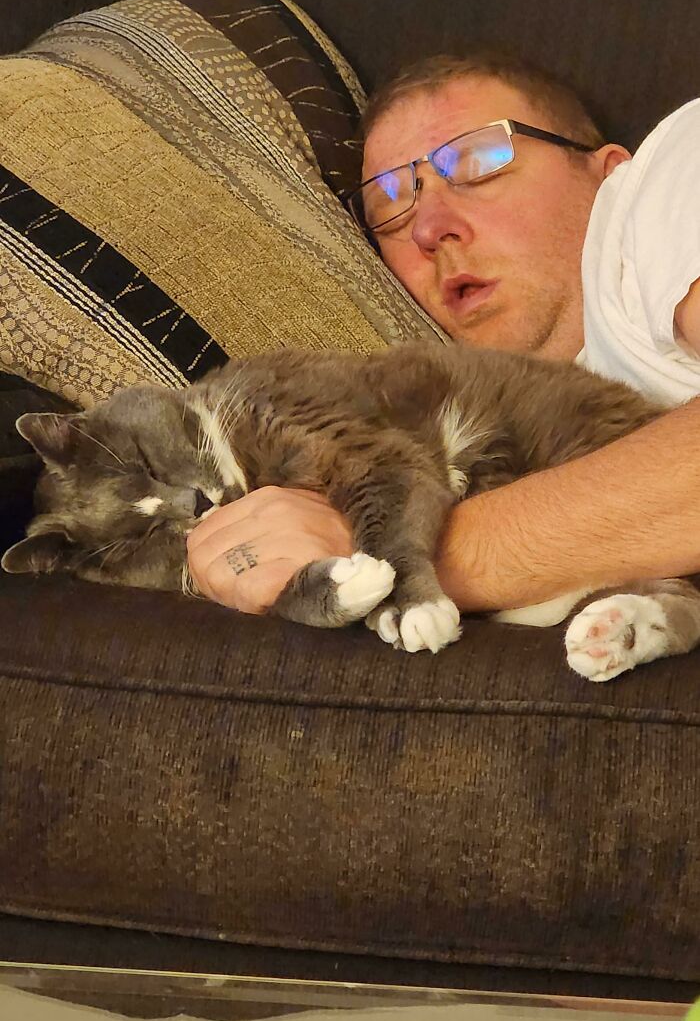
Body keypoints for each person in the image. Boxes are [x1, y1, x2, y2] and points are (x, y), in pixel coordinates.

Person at [187, 49, 700, 617]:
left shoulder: (675, 168)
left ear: (604, 170)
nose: (430, 228)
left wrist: (398, 550)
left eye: (478, 161)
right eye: (391, 206)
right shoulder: (512, 420)